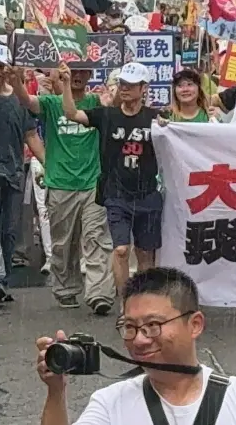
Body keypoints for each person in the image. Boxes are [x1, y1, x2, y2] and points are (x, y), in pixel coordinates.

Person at [36, 268, 236, 425]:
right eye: (130, 326)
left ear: (195, 324)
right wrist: (56, 391)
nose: (139, 339)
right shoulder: (111, 404)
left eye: (153, 325)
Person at [11, 66, 115, 316]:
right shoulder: (51, 103)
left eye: (83, 72)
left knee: (96, 239)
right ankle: (66, 288)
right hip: (60, 183)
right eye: (72, 71)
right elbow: (26, 101)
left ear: (90, 75)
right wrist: (15, 80)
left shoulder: (96, 102)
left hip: (93, 183)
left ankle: (99, 293)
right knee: (63, 243)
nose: (77, 76)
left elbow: (116, 103)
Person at [61, 62, 162, 297]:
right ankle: (125, 302)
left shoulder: (156, 119)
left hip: (147, 194)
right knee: (121, 250)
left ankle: (143, 301)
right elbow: (72, 114)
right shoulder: (106, 115)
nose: (125, 88)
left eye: (131, 85)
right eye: (122, 83)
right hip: (116, 194)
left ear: (143, 88)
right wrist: (65, 84)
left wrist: (166, 126)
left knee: (146, 254)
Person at [0, 44, 45, 305]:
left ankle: (1, 280)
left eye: (0, 66)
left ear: (8, 69)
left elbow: (30, 134)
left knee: (9, 231)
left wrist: (48, 164)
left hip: (14, 173)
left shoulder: (19, 99)